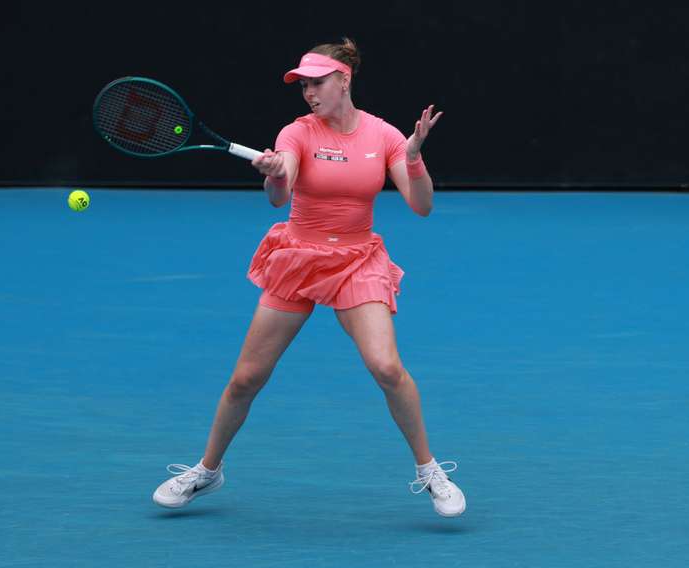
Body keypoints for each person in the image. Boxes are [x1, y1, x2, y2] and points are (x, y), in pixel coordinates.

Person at [152, 38, 465, 517]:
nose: (309, 93)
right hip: (299, 258)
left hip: (357, 261)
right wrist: (276, 173)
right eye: (303, 86)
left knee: (386, 367)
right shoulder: (296, 132)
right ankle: (207, 471)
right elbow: (279, 196)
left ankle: (430, 470)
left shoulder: (384, 136)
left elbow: (421, 206)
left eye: (317, 83)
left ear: (344, 79)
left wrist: (414, 155)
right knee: (246, 379)